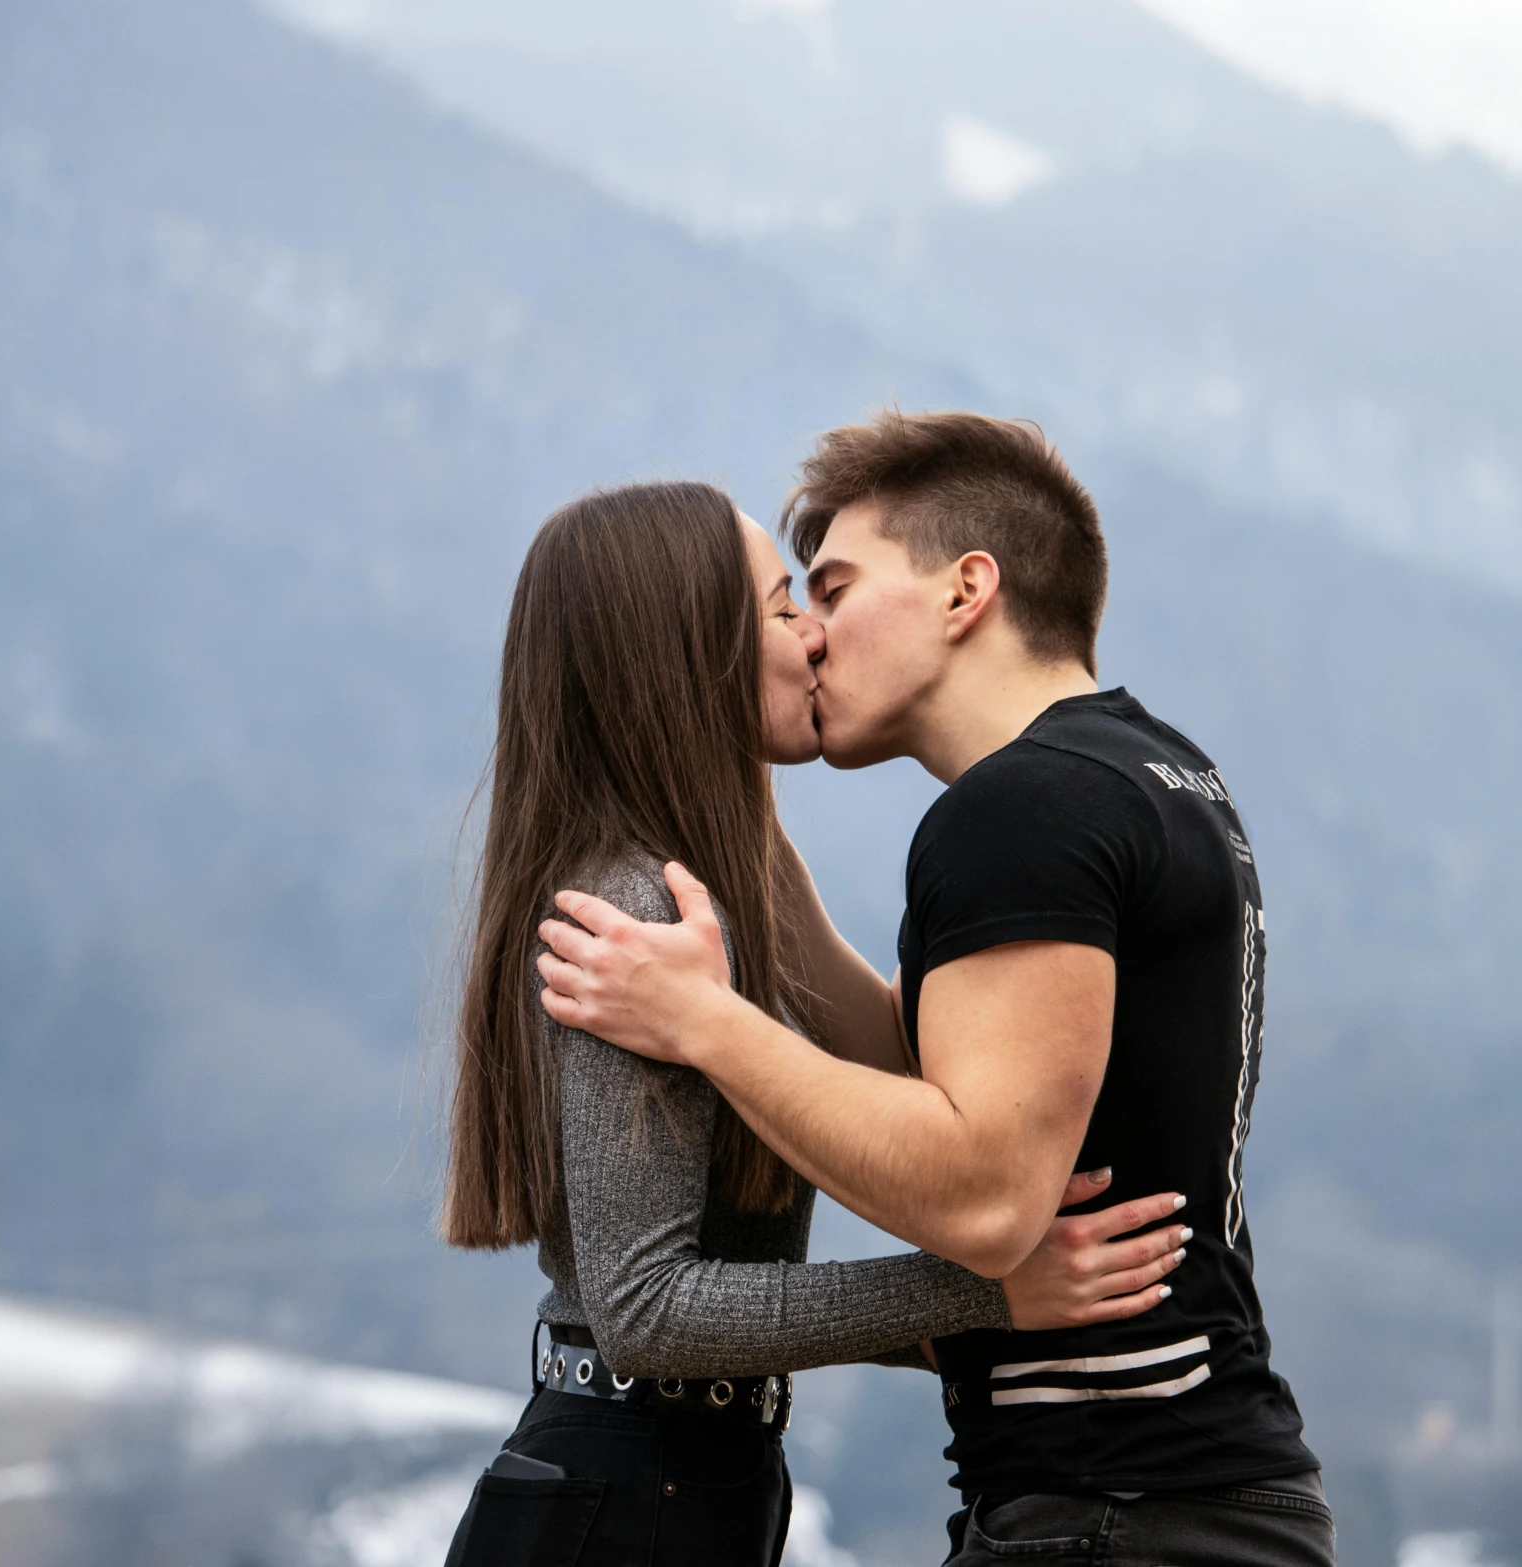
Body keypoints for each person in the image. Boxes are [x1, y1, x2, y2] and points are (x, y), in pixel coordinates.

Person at [536, 416, 1335, 1566]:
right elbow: (923, 1072)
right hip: (1185, 1497)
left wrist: (706, 1024)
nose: (812, 635)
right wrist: (751, 844)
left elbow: (981, 1198)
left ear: (966, 590)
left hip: (1114, 1508)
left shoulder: (1019, 810)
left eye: (837, 587)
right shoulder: (1155, 773)